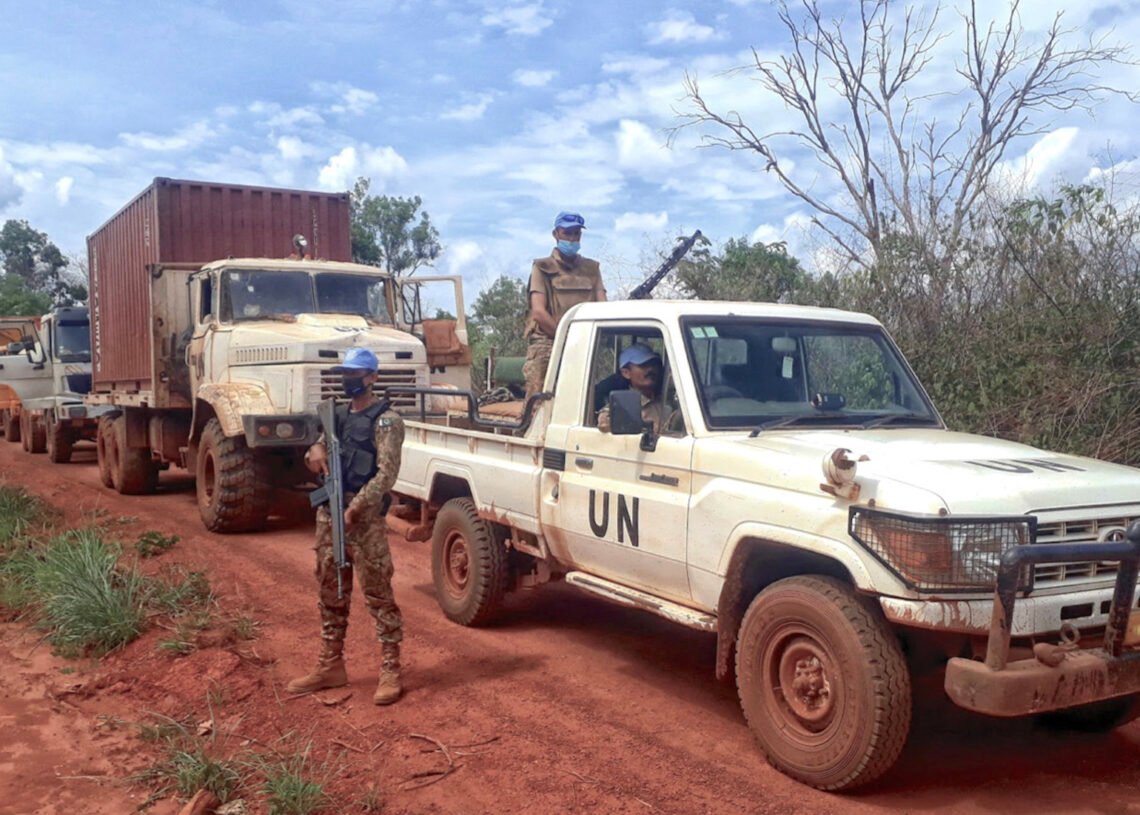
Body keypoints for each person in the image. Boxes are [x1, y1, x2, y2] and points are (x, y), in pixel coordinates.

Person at [286, 347, 407, 705]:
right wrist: (314, 452)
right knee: (330, 588)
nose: (348, 379)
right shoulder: (335, 416)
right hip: (330, 514)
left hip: (363, 517)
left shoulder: (387, 421)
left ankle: (390, 668)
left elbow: (387, 475)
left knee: (378, 592)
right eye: (345, 373)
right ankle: (331, 664)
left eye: (356, 374)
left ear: (372, 377)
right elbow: (316, 456)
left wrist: (354, 508)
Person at [523, 211, 606, 398]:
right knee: (539, 401)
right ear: (556, 234)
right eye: (567, 233)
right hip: (548, 342)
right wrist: (565, 337)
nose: (572, 238)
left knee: (581, 398)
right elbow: (538, 312)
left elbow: (603, 307)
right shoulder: (542, 267)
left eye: (576, 233)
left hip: (583, 343)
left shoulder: (592, 269)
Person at [597, 343, 678, 434]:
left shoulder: (671, 396)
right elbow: (604, 422)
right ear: (626, 373)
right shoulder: (624, 403)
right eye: (643, 365)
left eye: (653, 364)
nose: (650, 369)